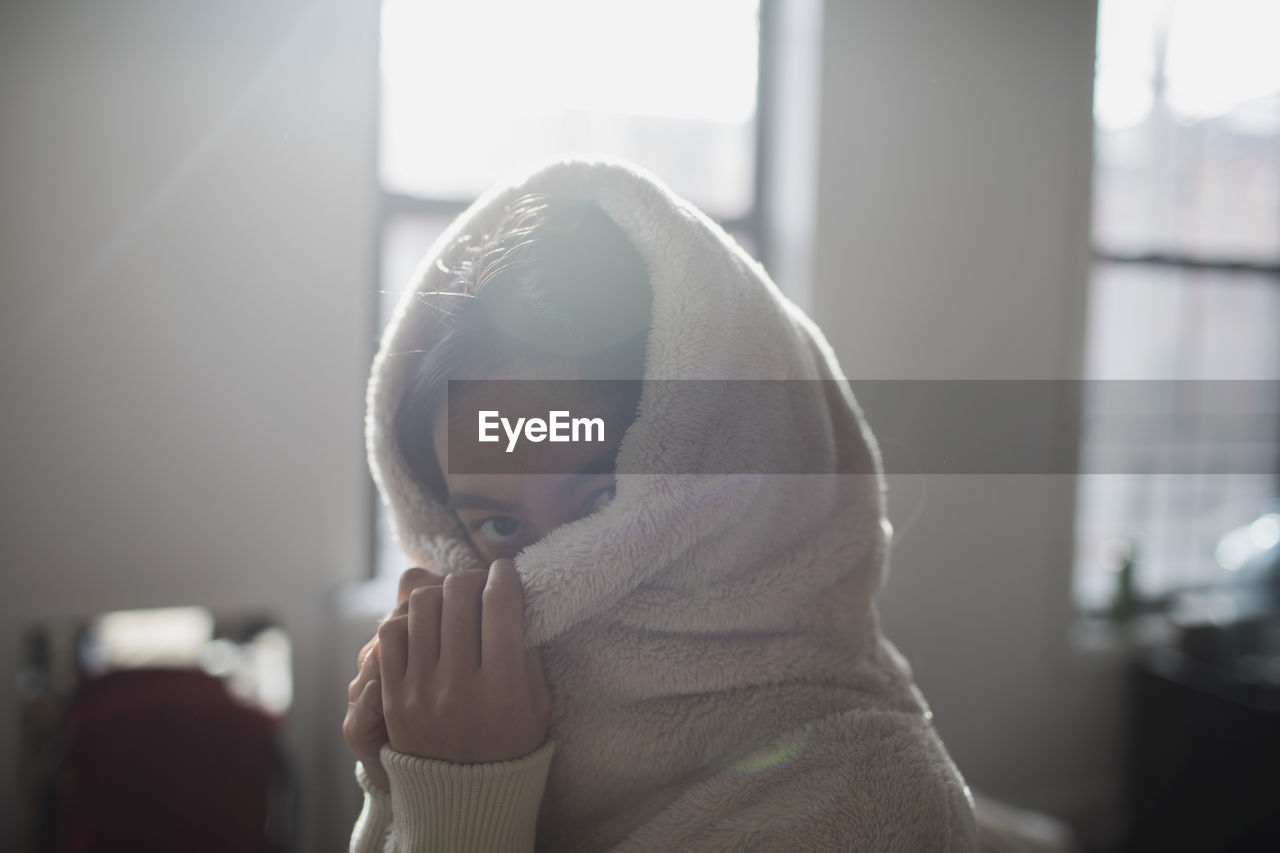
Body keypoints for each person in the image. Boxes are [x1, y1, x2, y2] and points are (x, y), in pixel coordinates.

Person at [345, 157, 978, 852]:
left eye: (602, 499)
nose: (554, 568)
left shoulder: (871, 807)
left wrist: (464, 806)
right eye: (500, 525)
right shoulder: (445, 723)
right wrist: (405, 789)